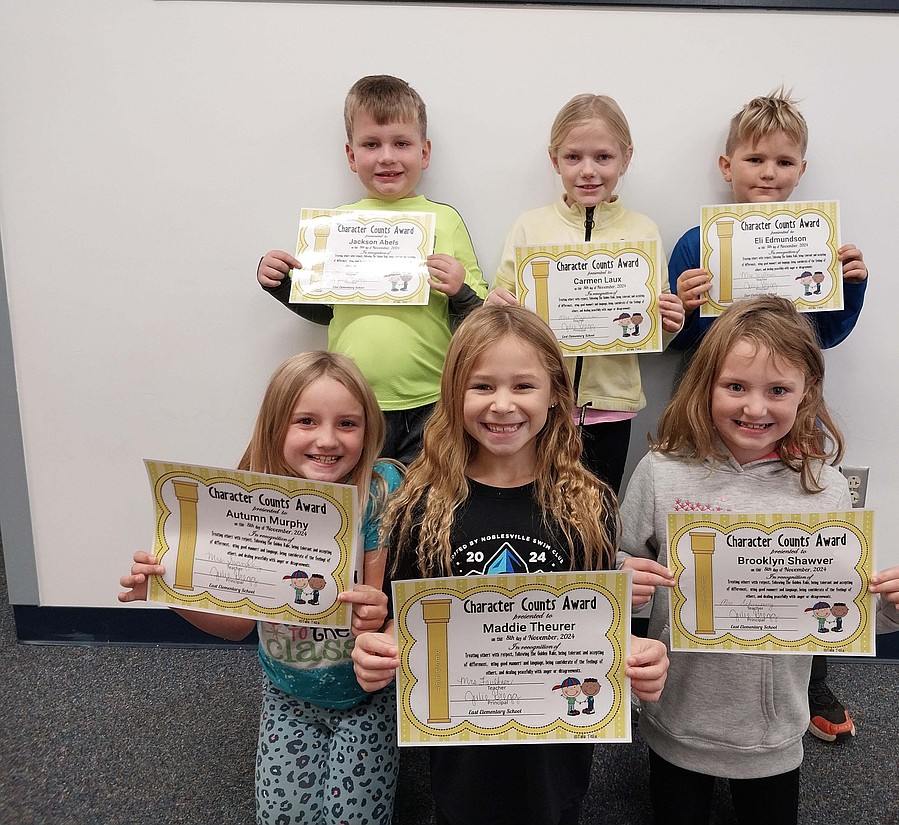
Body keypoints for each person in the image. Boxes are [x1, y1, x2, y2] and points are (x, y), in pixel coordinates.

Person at [350, 305, 670, 825]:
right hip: (461, 750)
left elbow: (594, 625)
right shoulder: (419, 504)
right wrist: (382, 649)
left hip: (557, 748)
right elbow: (400, 617)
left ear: (555, 396)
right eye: (482, 387)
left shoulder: (588, 505)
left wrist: (634, 655)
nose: (502, 405)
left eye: (523, 386)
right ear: (453, 395)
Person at [618, 296, 899, 825]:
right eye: (736, 386)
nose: (755, 408)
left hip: (774, 726)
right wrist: (622, 577)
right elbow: (616, 564)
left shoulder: (825, 488)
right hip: (677, 714)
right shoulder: (661, 471)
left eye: (778, 390)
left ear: (806, 394)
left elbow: (838, 611)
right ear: (705, 385)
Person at [119, 351, 402, 825]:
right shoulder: (248, 499)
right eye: (306, 421)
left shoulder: (379, 489)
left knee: (352, 818)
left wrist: (375, 614)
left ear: (370, 430)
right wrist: (168, 594)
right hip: (286, 691)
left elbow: (377, 613)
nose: (327, 440)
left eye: (348, 424)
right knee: (282, 817)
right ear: (275, 429)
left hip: (366, 697)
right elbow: (233, 629)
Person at [668, 88, 868, 741]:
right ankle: (688, 663)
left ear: (801, 172)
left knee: (802, 541)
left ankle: (810, 675)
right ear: (727, 166)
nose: (768, 173)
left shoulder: (817, 240)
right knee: (706, 530)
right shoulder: (699, 240)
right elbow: (674, 339)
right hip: (711, 416)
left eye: (784, 162)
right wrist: (685, 301)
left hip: (792, 418)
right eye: (755, 159)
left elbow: (829, 334)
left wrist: (853, 286)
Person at [256, 74, 488, 465]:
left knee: (423, 504)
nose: (386, 157)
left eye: (401, 143)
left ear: (424, 152)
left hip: (432, 398)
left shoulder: (445, 220)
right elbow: (325, 311)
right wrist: (281, 284)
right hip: (353, 401)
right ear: (351, 155)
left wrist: (460, 292)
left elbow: (481, 322)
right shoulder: (336, 226)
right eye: (371, 144)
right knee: (364, 503)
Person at [486, 93, 684, 494]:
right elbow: (501, 313)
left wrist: (670, 323)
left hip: (612, 406)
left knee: (599, 508)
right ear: (554, 158)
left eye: (603, 157)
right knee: (536, 505)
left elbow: (654, 331)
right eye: (574, 157)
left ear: (626, 158)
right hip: (538, 404)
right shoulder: (529, 227)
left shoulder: (643, 231)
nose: (588, 171)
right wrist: (495, 308)